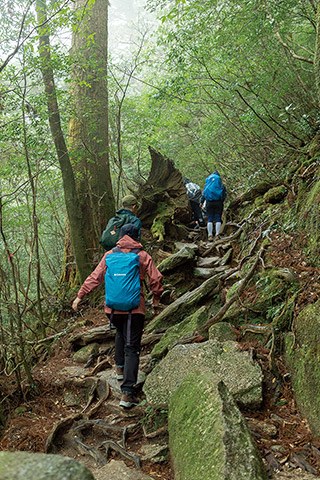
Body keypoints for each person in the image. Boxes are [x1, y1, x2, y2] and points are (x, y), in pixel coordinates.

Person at [72, 223, 163, 408]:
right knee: (132, 347)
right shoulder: (142, 255)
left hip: (112, 310)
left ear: (120, 237)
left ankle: (119, 369)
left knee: (120, 333)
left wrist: (79, 296)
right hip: (134, 309)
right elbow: (156, 279)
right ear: (136, 236)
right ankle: (127, 394)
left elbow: (94, 277)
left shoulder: (109, 255)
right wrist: (156, 298)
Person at [200, 170, 226, 241]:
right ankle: (217, 235)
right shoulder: (221, 185)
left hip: (209, 203)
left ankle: (210, 235)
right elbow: (224, 195)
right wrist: (221, 201)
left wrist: (201, 202)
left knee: (210, 219)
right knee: (218, 218)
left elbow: (204, 194)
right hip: (218, 202)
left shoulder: (207, 184)